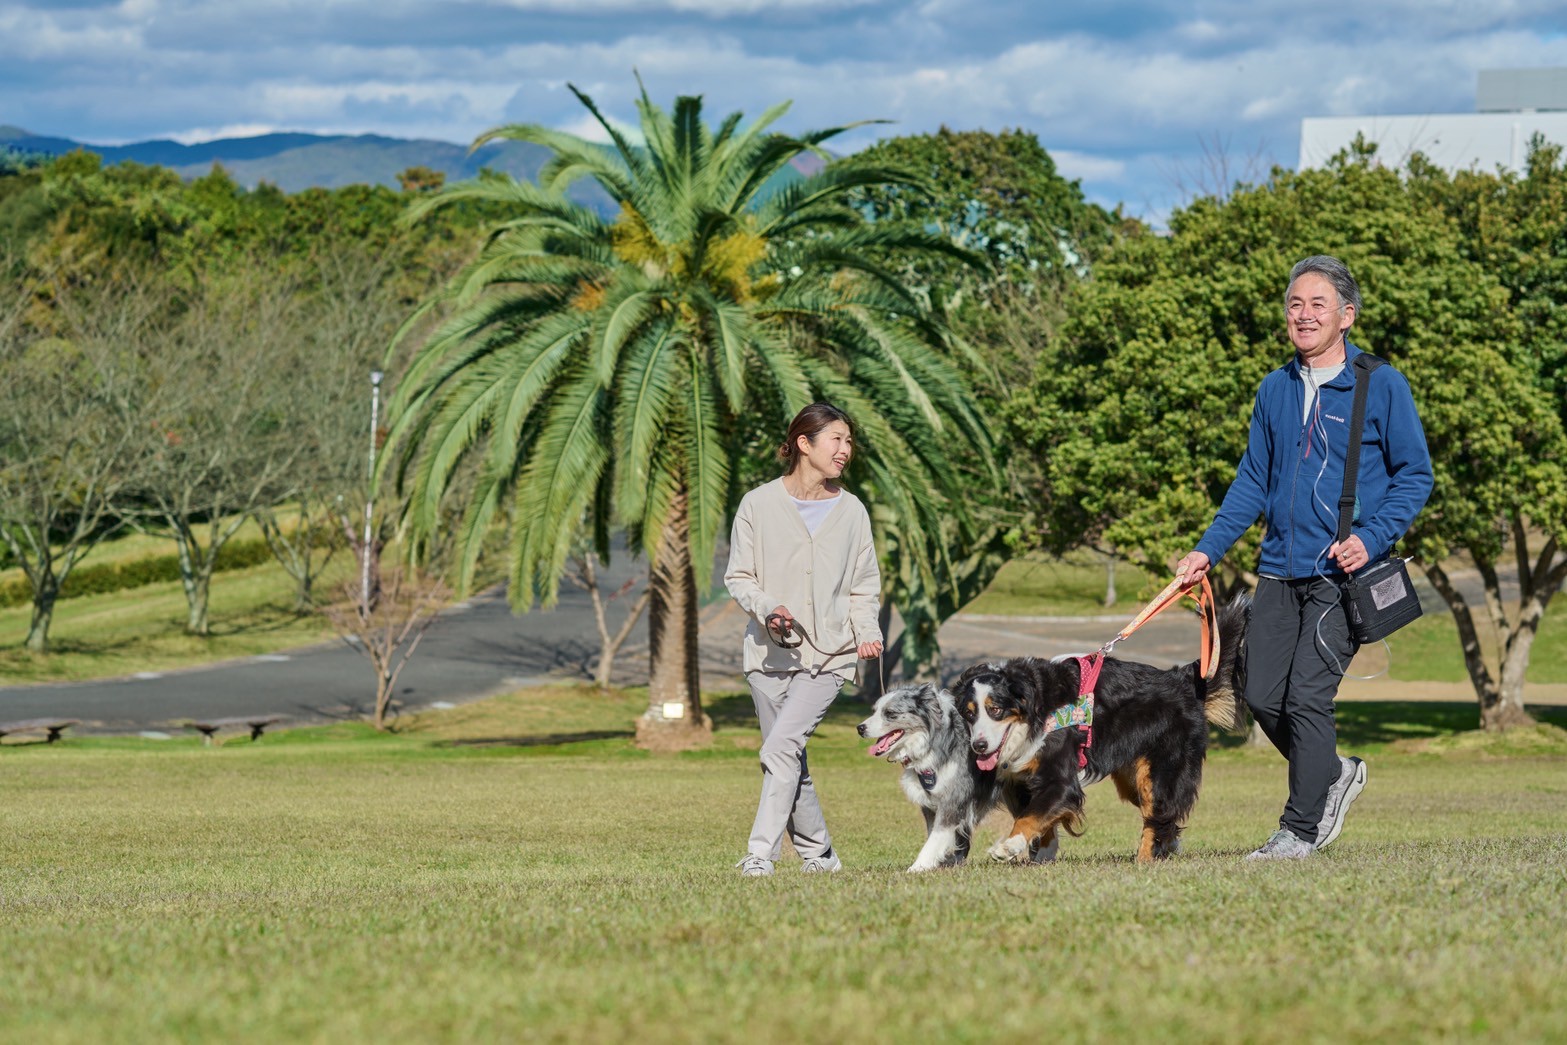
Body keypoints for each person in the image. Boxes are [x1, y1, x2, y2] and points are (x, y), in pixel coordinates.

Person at [1174, 255, 1432, 861]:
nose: (1304, 314)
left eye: (1318, 304)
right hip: (1278, 571)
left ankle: (1300, 829)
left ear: (1346, 316)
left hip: (1342, 577)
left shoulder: (1380, 383)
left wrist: (1372, 536)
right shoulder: (1274, 388)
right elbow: (1251, 483)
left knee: (1307, 698)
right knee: (1259, 696)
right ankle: (1332, 771)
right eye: (1295, 304)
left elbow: (1414, 476)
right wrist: (1206, 550)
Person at [724, 402, 884, 877]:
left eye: (849, 441)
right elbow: (739, 575)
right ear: (804, 444)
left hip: (830, 656)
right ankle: (821, 856)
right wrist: (769, 607)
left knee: (779, 750)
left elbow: (863, 584)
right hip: (767, 657)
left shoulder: (852, 510)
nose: (846, 450)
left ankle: (761, 855)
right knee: (790, 757)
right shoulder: (757, 503)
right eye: (837, 439)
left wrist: (867, 632)